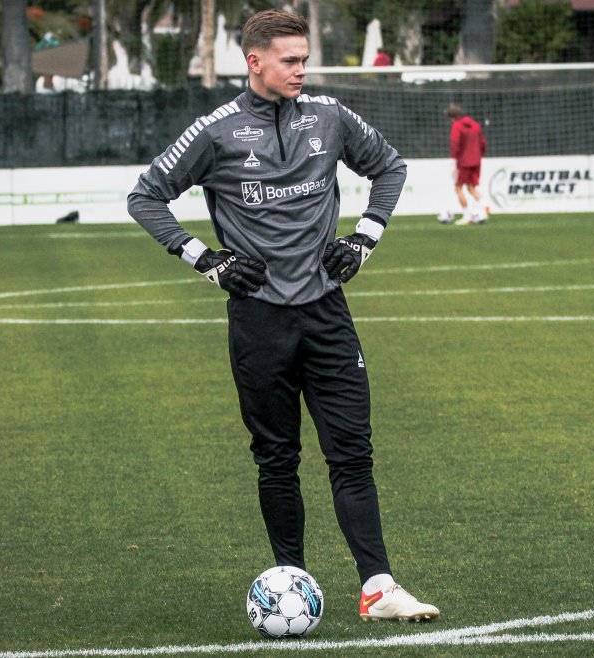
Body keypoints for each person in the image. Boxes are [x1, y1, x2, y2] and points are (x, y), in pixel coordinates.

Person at [127, 9, 439, 623]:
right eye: (290, 60)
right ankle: (289, 581)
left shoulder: (329, 116)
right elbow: (146, 196)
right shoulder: (215, 132)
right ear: (255, 61)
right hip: (258, 320)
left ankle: (378, 588)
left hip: (327, 314)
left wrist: (365, 236)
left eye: (304, 59)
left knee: (352, 453)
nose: (301, 70)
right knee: (277, 459)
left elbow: (390, 166)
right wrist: (205, 259)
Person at [446, 103, 488, 226]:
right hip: (476, 160)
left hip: (463, 162)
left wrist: (453, 160)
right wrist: (479, 155)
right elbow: (483, 142)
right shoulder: (475, 125)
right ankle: (484, 207)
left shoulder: (457, 126)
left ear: (453, 117)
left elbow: (455, 142)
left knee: (458, 188)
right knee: (471, 188)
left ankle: (467, 216)